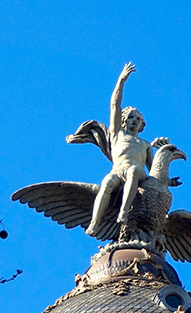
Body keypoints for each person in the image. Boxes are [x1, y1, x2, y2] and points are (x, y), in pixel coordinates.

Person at [67, 63, 171, 236]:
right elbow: (115, 104)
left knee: (133, 171)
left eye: (138, 118)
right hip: (117, 171)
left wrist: (168, 179)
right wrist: (121, 80)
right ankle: (94, 223)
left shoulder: (145, 144)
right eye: (131, 117)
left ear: (142, 124)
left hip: (137, 173)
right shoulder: (117, 135)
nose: (135, 120)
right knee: (106, 183)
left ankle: (123, 211)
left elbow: (154, 172)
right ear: (124, 120)